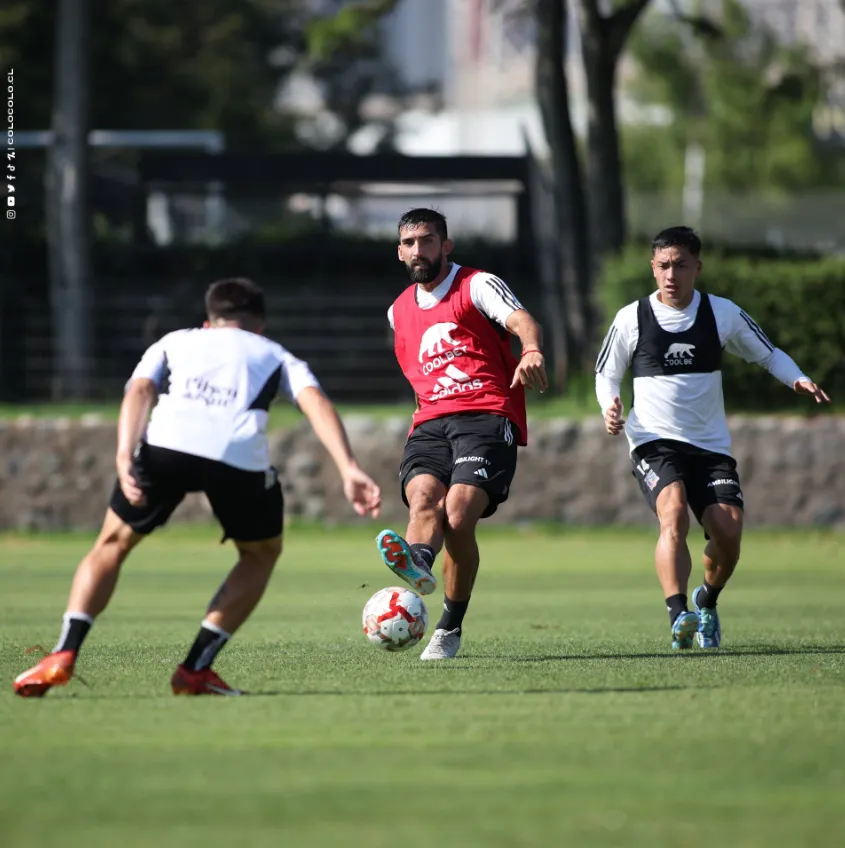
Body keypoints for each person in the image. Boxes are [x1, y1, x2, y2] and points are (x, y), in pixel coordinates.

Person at [14, 277, 382, 697]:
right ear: (258, 326)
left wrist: (123, 454)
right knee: (260, 553)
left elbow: (140, 388)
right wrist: (349, 467)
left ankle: (63, 653)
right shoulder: (275, 353)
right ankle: (195, 668)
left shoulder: (176, 340)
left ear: (209, 322)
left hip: (166, 444)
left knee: (111, 544)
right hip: (237, 457)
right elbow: (314, 401)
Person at [595, 226, 830, 650]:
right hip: (653, 440)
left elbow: (768, 353)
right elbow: (606, 372)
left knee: (729, 531)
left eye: (680, 265)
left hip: (708, 445)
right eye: (663, 266)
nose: (671, 274)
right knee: (675, 511)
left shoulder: (722, 313)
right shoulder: (632, 317)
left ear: (697, 268)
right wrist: (610, 405)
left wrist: (798, 379)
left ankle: (707, 600)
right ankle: (677, 613)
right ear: (653, 268)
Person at [375, 208, 547, 660]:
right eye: (409, 243)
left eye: (427, 240)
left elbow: (522, 320)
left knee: (457, 513)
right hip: (431, 421)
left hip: (488, 414)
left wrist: (530, 349)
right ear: (399, 251)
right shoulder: (397, 311)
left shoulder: (477, 285)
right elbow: (417, 376)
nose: (418, 250)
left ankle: (450, 627)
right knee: (424, 500)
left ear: (445, 245)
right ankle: (419, 564)